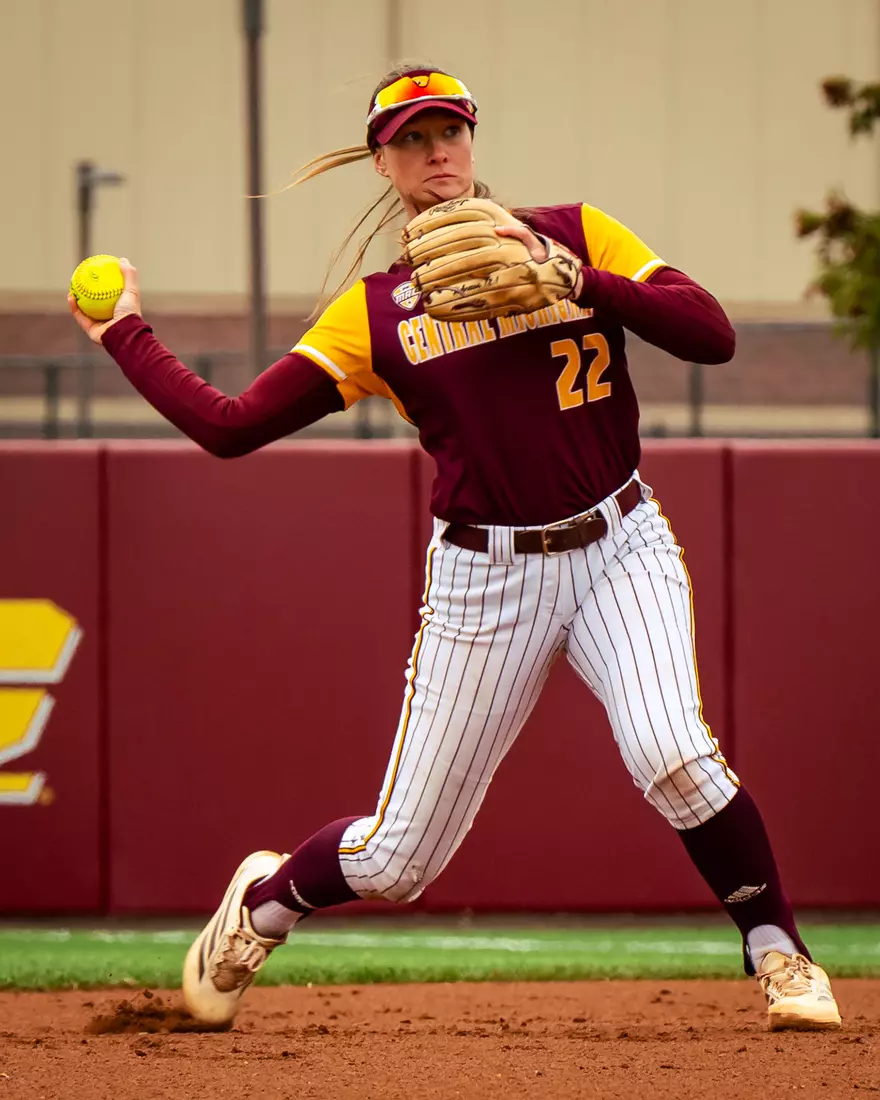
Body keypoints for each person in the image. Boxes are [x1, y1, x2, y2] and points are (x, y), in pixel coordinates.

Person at [68, 65, 840, 1033]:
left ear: (473, 140)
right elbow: (230, 427)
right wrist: (125, 332)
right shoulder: (376, 312)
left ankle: (779, 953)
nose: (437, 151)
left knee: (671, 749)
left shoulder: (575, 232)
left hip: (620, 541)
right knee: (400, 859)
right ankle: (264, 902)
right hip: (487, 575)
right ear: (382, 161)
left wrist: (576, 276)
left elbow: (712, 336)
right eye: (412, 138)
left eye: (450, 131)